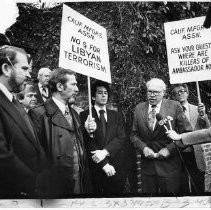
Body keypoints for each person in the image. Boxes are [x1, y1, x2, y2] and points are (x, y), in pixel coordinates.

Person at [30, 68, 93, 197]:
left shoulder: (74, 113)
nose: (77, 89)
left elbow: (76, 145)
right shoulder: (39, 114)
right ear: (59, 86)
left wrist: (86, 131)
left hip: (79, 182)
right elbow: (36, 157)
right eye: (73, 84)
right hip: (56, 187)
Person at [130, 78, 192, 194]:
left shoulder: (174, 106)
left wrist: (169, 150)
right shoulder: (139, 108)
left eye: (156, 92)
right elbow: (134, 135)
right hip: (147, 169)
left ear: (163, 92)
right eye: (149, 92)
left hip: (169, 168)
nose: (152, 95)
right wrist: (143, 148)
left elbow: (187, 134)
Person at [0, 45, 46, 198]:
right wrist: (34, 183)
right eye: (24, 69)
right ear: (6, 68)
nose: (29, 75)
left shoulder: (13, 100)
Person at [80, 80, 126, 195]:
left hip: (115, 167)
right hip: (96, 168)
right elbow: (87, 141)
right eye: (100, 93)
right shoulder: (85, 115)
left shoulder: (116, 115)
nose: (104, 95)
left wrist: (105, 152)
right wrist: (104, 164)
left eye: (106, 93)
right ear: (93, 97)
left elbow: (121, 138)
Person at [171, 83, 210, 193]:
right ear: (173, 96)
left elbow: (207, 128)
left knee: (198, 184)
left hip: (196, 152)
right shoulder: (171, 112)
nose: (179, 94)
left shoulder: (197, 109)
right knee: (182, 184)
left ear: (187, 93)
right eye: (176, 93)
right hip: (180, 152)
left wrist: (204, 116)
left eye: (182, 91)